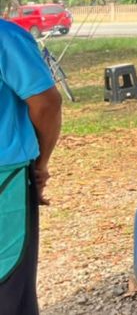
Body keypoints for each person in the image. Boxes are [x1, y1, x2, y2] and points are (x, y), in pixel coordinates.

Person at [0, 19, 62, 315]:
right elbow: (46, 104)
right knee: (9, 289)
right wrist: (41, 163)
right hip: (5, 182)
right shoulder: (6, 37)